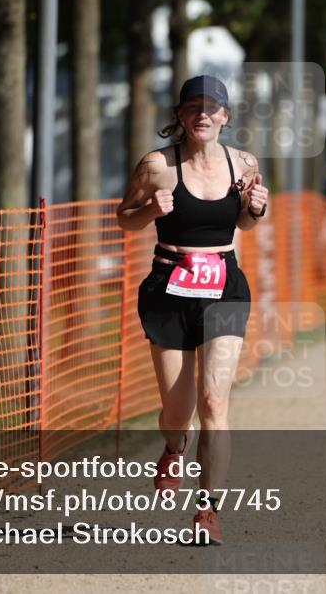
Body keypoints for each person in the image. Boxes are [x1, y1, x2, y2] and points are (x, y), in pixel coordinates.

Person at [116, 75, 268, 545]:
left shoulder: (244, 163)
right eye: (194, 107)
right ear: (180, 116)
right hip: (167, 286)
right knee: (176, 412)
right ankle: (173, 448)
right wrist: (149, 211)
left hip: (224, 285)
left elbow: (244, 220)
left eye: (213, 107)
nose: (204, 114)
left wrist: (256, 209)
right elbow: (124, 218)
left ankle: (208, 511)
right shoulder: (157, 165)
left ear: (225, 116)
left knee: (213, 403)